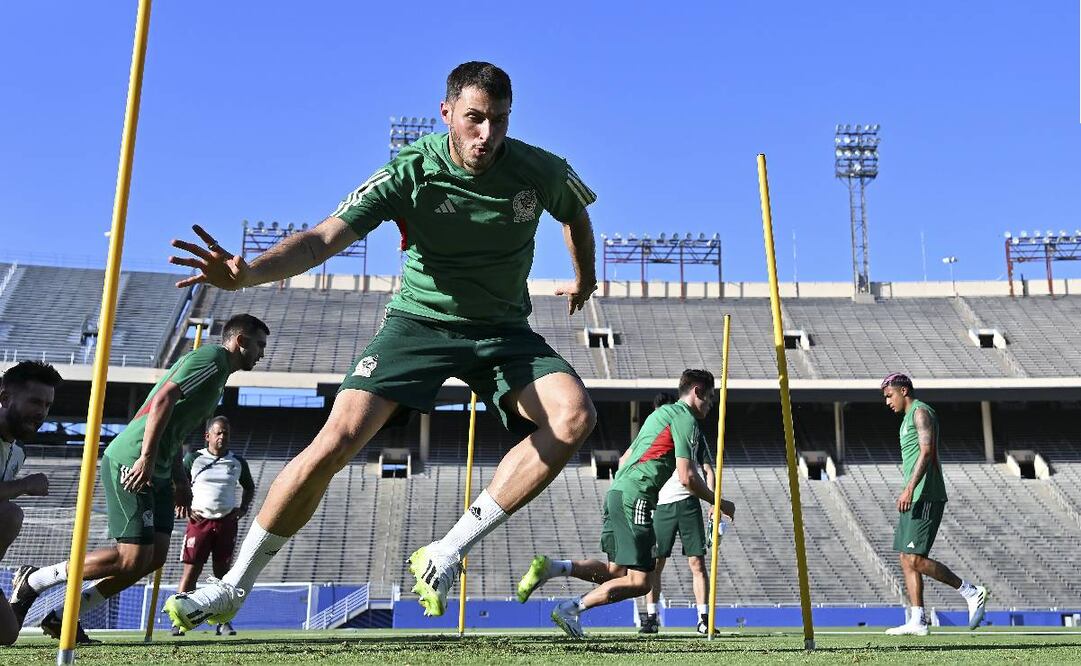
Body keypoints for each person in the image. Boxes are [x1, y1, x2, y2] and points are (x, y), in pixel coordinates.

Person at [163, 61, 599, 631]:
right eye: (473, 119)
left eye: (498, 121)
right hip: (418, 324)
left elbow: (575, 212)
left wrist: (585, 276)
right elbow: (322, 239)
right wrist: (247, 277)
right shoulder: (410, 171)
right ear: (447, 113)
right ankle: (232, 588)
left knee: (575, 416)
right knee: (334, 441)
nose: (486, 135)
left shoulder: (539, 168)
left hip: (503, 332)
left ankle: (446, 551)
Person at [9, 314, 268, 643]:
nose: (262, 353)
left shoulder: (218, 378)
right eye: (259, 345)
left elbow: (173, 427)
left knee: (153, 557)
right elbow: (162, 400)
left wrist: (179, 481)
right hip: (133, 460)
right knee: (131, 557)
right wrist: (146, 458)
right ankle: (35, 581)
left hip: (159, 468)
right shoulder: (213, 359)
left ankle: (62, 618)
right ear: (240, 341)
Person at [515, 370, 734, 638]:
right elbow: (687, 476)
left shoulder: (659, 415)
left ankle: (553, 567)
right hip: (637, 497)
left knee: (615, 571)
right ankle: (571, 609)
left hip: (618, 492)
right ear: (697, 391)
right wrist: (719, 502)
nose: (711, 405)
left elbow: (625, 458)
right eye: (710, 398)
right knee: (641, 582)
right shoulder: (686, 419)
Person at [880, 373, 988, 635]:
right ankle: (918, 620)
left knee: (915, 559)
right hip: (915, 496)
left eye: (889, 395)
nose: (887, 402)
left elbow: (927, 451)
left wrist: (909, 489)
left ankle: (970, 591)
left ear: (903, 390)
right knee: (906, 559)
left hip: (926, 494)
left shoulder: (920, 412)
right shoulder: (906, 418)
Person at [636, 392, 722, 635]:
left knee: (697, 562)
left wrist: (713, 502)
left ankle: (703, 618)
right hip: (661, 505)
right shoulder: (652, 435)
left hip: (688, 503)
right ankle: (652, 618)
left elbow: (709, 471)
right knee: (654, 565)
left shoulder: (692, 431)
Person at [171, 415, 254, 637]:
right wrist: (182, 504)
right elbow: (177, 483)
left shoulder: (237, 462)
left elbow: (249, 487)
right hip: (199, 522)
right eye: (218, 432)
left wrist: (243, 508)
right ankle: (178, 621)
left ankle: (223, 623)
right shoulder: (193, 458)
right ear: (207, 436)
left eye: (226, 433)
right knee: (191, 572)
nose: (222, 437)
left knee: (223, 575)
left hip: (226, 522)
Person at [0, 361, 61, 645]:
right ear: (4, 397)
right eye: (35, 401)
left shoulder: (17, 452)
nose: (41, 412)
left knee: (6, 634)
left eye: (47, 405)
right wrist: (24, 485)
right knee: (9, 514)